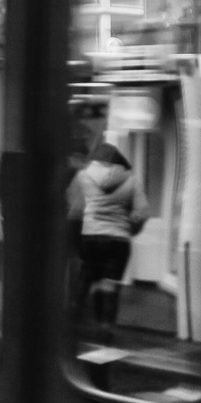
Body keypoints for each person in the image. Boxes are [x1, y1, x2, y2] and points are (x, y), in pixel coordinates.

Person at [67, 142, 150, 339]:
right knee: (110, 285)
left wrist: (77, 239)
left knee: (87, 277)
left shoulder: (83, 177)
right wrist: (128, 227)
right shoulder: (132, 180)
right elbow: (142, 211)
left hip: (91, 238)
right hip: (118, 241)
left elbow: (75, 211)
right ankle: (105, 329)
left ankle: (71, 323)